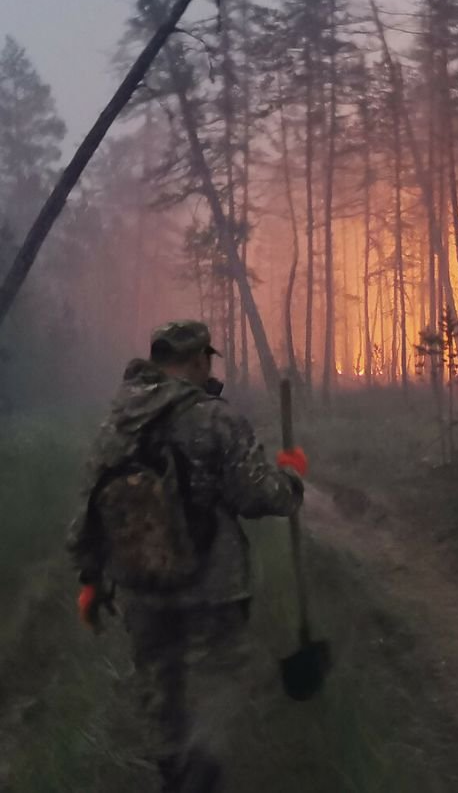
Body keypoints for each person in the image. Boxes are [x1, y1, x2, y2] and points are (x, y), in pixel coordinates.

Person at [67, 320, 307, 793]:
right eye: (207, 360)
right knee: (213, 696)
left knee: (162, 696)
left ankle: (174, 777)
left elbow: (91, 504)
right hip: (212, 591)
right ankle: (199, 780)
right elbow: (255, 496)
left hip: (142, 590)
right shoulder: (214, 419)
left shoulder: (117, 420)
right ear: (198, 359)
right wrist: (291, 480)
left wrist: (91, 579)